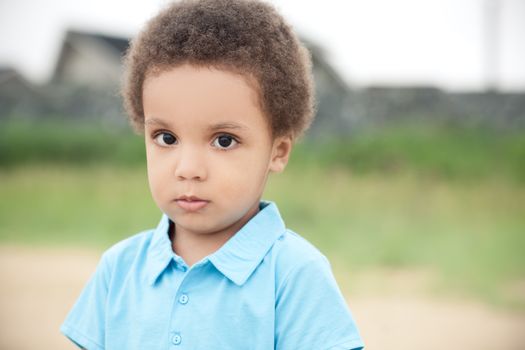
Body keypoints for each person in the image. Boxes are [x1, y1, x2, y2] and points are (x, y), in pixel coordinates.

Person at [60, 0, 364, 349]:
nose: (188, 169)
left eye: (223, 141)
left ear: (277, 151)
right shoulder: (119, 269)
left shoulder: (295, 274)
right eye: (166, 138)